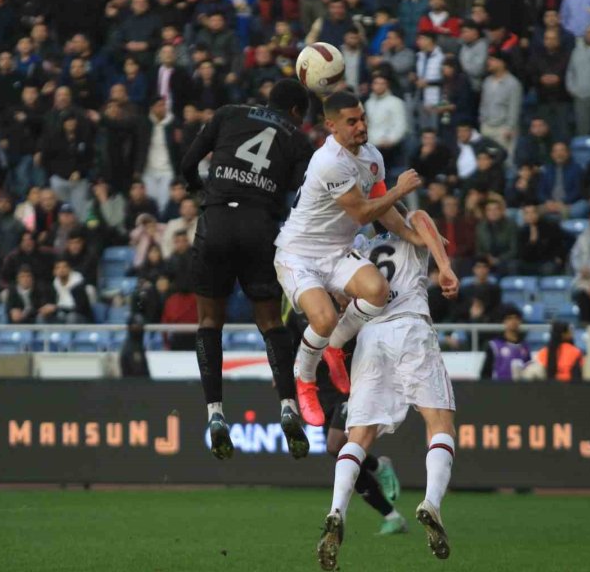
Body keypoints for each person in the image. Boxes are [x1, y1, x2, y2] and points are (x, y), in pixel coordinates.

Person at [178, 79, 316, 460]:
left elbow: (187, 164)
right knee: (271, 323)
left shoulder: (227, 114)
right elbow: (303, 191)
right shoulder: (298, 139)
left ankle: (216, 414)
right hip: (260, 225)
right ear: (294, 113)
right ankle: (289, 406)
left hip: (217, 220)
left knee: (209, 322)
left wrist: (201, 193)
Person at [315, 205, 458, 570]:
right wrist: (444, 267)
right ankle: (431, 503)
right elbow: (425, 221)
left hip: (370, 336)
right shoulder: (412, 227)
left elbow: (342, 297)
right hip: (410, 326)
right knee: (438, 422)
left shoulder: (360, 248)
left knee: (358, 438)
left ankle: (336, 510)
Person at [273, 91, 426, 429]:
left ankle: (334, 347)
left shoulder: (371, 156)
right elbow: (360, 213)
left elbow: (380, 207)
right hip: (299, 254)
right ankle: (305, 379)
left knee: (377, 291)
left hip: (337, 251)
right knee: (324, 318)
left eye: (362, 118)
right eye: (352, 121)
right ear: (332, 126)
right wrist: (400, 190)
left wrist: (412, 235)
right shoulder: (329, 161)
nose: (361, 126)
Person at [283, 297, 407, 535]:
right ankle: (391, 513)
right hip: (320, 390)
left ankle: (378, 471)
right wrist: (283, 377)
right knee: (346, 457)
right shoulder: (300, 311)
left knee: (335, 445)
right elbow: (290, 346)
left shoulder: (348, 300)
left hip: (351, 386)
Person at [480, 305, 530, 381]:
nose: (514, 321)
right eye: (509, 318)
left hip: (520, 389)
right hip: (499, 389)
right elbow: (485, 374)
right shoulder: (494, 346)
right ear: (504, 321)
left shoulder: (525, 347)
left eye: (516, 318)